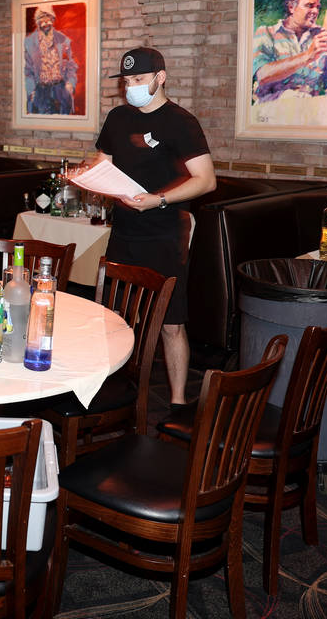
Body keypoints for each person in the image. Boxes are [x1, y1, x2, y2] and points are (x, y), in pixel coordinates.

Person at [80, 47, 216, 405]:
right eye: (126, 81)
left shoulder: (181, 122)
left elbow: (206, 180)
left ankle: (177, 402)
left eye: (139, 80)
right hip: (124, 230)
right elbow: (103, 163)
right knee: (112, 318)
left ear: (160, 77)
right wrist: (88, 175)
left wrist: (159, 199)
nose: (131, 88)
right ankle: (106, 394)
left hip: (165, 233)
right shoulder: (118, 118)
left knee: (171, 324)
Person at [250, 0, 327, 102]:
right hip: (273, 109)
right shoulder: (266, 33)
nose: (315, 11)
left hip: (310, 110)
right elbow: (262, 75)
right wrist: (308, 55)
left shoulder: (321, 35)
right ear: (291, 7)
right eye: (309, 5)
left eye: (317, 7)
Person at [23, 7, 78, 114]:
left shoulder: (63, 40)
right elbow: (27, 70)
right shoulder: (29, 43)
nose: (46, 23)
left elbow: (71, 65)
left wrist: (70, 84)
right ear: (37, 22)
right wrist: (31, 90)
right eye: (42, 20)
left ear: (53, 20)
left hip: (60, 90)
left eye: (48, 19)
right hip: (40, 92)